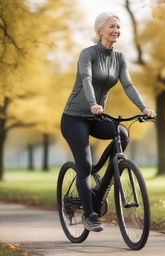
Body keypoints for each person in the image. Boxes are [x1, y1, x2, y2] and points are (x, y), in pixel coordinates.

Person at [60, 12, 156, 232]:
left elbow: (128, 85)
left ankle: (100, 190)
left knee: (122, 133)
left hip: (97, 116)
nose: (116, 31)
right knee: (83, 165)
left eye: (119, 27)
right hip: (74, 117)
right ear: (100, 29)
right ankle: (90, 214)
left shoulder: (119, 58)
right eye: (112, 26)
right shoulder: (88, 54)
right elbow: (86, 78)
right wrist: (93, 103)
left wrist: (144, 108)